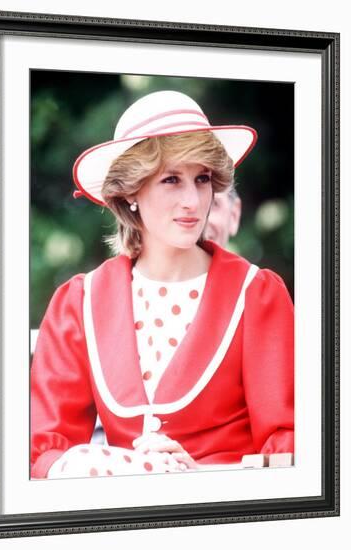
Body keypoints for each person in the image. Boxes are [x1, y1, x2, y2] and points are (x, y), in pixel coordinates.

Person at [30, 90, 294, 479]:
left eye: (202, 179)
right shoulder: (79, 302)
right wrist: (105, 466)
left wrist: (205, 477)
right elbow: (45, 452)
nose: (193, 201)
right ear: (131, 192)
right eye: (172, 179)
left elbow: (291, 447)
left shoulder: (257, 294)